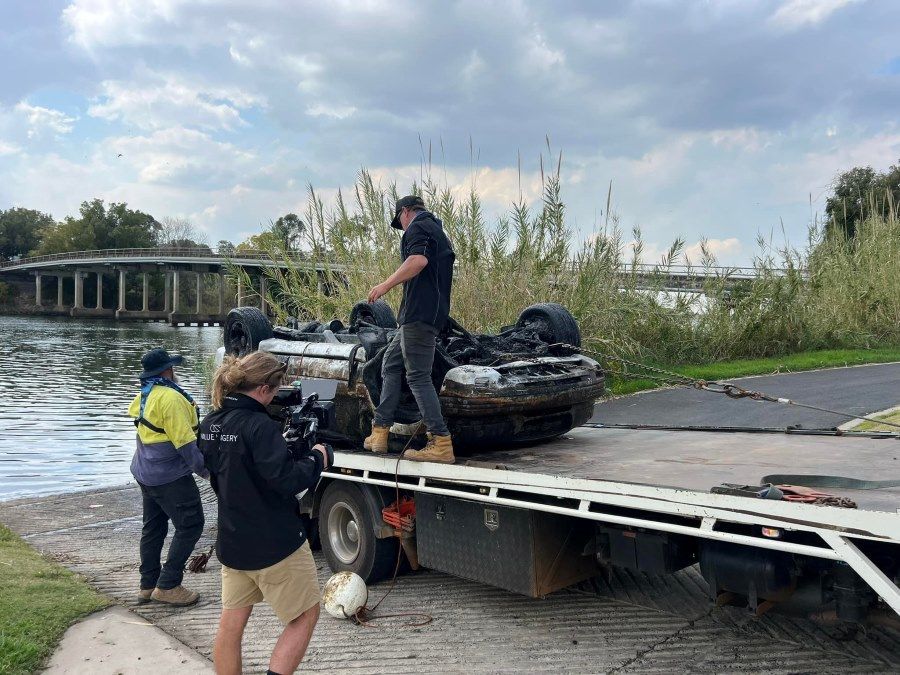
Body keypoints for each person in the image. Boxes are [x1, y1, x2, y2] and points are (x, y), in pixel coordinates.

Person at [200, 351, 330, 675]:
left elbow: (225, 473)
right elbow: (286, 480)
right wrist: (317, 459)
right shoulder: (259, 427)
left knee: (231, 625)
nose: (277, 395)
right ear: (262, 390)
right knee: (304, 616)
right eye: (276, 388)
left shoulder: (210, 424)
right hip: (274, 544)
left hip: (233, 543)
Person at [365, 195, 456, 463]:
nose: (402, 228)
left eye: (400, 222)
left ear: (405, 212)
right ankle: (380, 432)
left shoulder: (419, 226)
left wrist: (385, 285)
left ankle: (441, 442)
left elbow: (418, 261)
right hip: (418, 317)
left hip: (419, 316)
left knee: (418, 377)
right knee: (391, 365)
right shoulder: (436, 230)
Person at [128, 347, 208, 607]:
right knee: (191, 524)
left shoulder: (145, 394)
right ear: (168, 370)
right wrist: (211, 475)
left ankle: (147, 585)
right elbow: (186, 446)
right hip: (169, 477)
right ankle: (169, 584)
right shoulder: (171, 399)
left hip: (145, 472)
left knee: (153, 528)